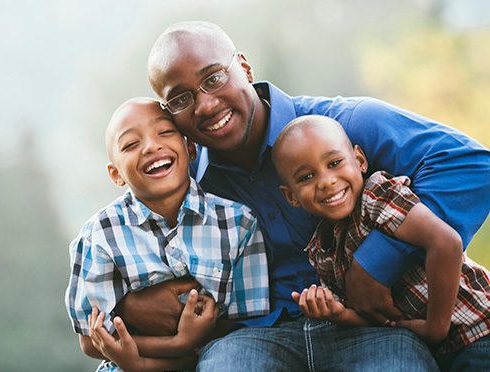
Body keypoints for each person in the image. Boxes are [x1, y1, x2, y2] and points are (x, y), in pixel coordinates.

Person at [114, 21, 490, 371]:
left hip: (370, 325)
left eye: (214, 78)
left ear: (244, 69)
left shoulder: (340, 128)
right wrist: (128, 306)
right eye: (180, 99)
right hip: (251, 337)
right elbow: (115, 243)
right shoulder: (182, 181)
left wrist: (375, 262)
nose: (207, 104)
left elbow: (472, 167)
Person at [64, 97, 270, 371]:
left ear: (191, 148)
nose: (151, 146)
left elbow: (248, 323)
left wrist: (189, 348)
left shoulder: (238, 223)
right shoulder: (100, 237)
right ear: (116, 175)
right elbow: (92, 340)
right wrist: (174, 346)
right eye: (130, 144)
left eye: (164, 132)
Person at [272, 115, 490, 371]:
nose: (326, 181)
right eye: (306, 176)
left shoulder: (376, 197)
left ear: (360, 160)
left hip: (478, 330)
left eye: (335, 163)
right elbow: (370, 315)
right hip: (442, 351)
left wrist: (434, 329)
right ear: (291, 197)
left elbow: (446, 243)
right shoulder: (321, 250)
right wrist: (336, 313)